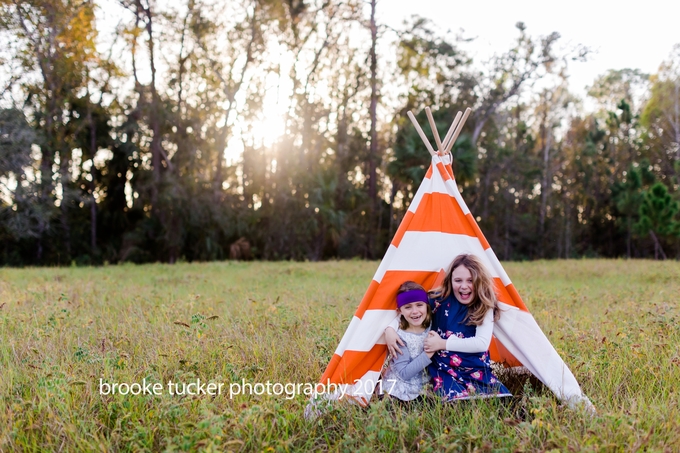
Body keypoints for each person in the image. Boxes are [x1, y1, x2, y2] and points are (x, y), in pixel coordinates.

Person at [385, 254, 511, 401]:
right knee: (455, 401)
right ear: (450, 280)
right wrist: (390, 329)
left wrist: (442, 343)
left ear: (480, 281)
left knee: (499, 400)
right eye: (458, 280)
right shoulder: (439, 300)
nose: (464, 286)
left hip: (475, 368)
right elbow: (411, 311)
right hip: (445, 370)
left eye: (470, 280)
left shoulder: (484, 305)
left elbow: (481, 343)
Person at [381, 281, 435, 402]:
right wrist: (429, 353)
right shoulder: (400, 337)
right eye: (408, 307)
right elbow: (404, 373)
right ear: (400, 311)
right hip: (402, 387)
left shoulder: (432, 324)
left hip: (426, 384)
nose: (415, 311)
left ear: (427, 305)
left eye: (419, 305)